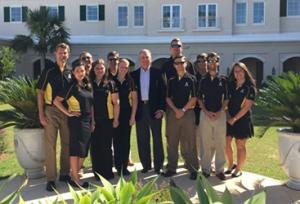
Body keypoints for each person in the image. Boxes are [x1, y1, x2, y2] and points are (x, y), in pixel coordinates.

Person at [36, 43, 72, 191]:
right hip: (51, 111)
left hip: (67, 112)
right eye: (60, 52)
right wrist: (41, 113)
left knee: (67, 143)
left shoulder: (70, 71)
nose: (62, 55)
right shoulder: (48, 70)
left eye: (65, 53)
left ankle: (64, 174)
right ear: (55, 54)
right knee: (50, 146)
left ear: (68, 54)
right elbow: (40, 93)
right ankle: (51, 179)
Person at [53, 61, 93, 188]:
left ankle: (73, 173)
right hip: (77, 121)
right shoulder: (71, 86)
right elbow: (56, 101)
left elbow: (91, 104)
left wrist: (93, 121)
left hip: (87, 121)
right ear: (73, 73)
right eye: (77, 71)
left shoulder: (86, 85)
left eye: (82, 71)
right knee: (76, 150)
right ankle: (75, 179)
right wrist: (68, 113)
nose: (80, 73)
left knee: (84, 150)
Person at [163, 55, 199, 180]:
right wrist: (175, 110)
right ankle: (172, 168)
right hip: (173, 114)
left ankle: (193, 168)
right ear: (174, 65)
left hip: (188, 113)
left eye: (181, 62)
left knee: (190, 142)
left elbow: (194, 97)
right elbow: (167, 97)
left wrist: (183, 110)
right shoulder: (171, 80)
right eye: (177, 63)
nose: (179, 65)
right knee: (172, 141)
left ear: (186, 64)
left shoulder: (192, 79)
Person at [131, 49, 166, 174]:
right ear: (139, 60)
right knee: (142, 139)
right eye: (142, 58)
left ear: (150, 58)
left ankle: (158, 166)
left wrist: (161, 110)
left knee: (157, 139)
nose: (145, 59)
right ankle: (146, 165)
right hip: (140, 110)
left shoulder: (158, 73)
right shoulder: (134, 75)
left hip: (154, 110)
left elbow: (163, 92)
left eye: (147, 57)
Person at [198, 52, 228, 180]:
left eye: (214, 61)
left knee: (220, 143)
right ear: (207, 63)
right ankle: (206, 169)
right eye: (209, 61)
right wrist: (206, 111)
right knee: (206, 143)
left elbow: (226, 98)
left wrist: (221, 111)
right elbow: (199, 98)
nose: (211, 63)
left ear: (218, 63)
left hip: (220, 115)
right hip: (205, 115)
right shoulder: (203, 80)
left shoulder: (224, 80)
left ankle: (220, 169)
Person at [90, 58, 120, 180]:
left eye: (101, 68)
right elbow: (90, 104)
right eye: (97, 68)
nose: (99, 70)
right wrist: (92, 121)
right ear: (93, 69)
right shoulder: (89, 83)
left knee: (106, 146)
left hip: (108, 120)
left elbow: (116, 102)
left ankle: (107, 172)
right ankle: (97, 173)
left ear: (105, 69)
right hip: (93, 121)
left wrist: (116, 119)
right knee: (95, 147)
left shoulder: (111, 83)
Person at [225, 62, 256, 177]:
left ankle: (238, 169)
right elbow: (226, 102)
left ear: (245, 72)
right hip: (229, 118)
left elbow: (247, 106)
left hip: (242, 120)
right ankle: (230, 164)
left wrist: (234, 119)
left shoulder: (250, 88)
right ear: (233, 73)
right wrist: (228, 116)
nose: (238, 73)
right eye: (236, 71)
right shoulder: (230, 85)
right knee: (226, 143)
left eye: (240, 71)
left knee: (240, 145)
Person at [114, 58, 138, 176]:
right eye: (122, 66)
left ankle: (124, 166)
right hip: (114, 114)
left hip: (127, 114)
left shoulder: (130, 81)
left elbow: (134, 99)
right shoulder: (112, 81)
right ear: (118, 67)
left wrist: (133, 116)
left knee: (126, 141)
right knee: (117, 141)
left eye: (126, 67)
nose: (124, 69)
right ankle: (118, 167)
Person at [194, 53, 208, 162]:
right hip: (196, 112)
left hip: (211, 112)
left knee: (210, 139)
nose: (202, 63)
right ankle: (197, 161)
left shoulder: (213, 77)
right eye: (199, 61)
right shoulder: (194, 78)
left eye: (204, 61)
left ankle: (209, 163)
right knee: (197, 138)